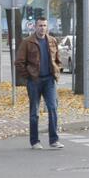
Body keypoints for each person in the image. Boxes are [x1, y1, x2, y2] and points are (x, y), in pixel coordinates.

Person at [15, 16, 64, 150]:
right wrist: (29, 76)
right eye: (40, 25)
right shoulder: (27, 42)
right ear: (35, 27)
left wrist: (57, 71)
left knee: (53, 108)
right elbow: (19, 62)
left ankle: (54, 140)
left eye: (44, 26)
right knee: (34, 112)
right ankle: (35, 141)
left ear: (47, 27)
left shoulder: (52, 41)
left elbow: (57, 59)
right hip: (34, 81)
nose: (42, 28)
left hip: (49, 80)